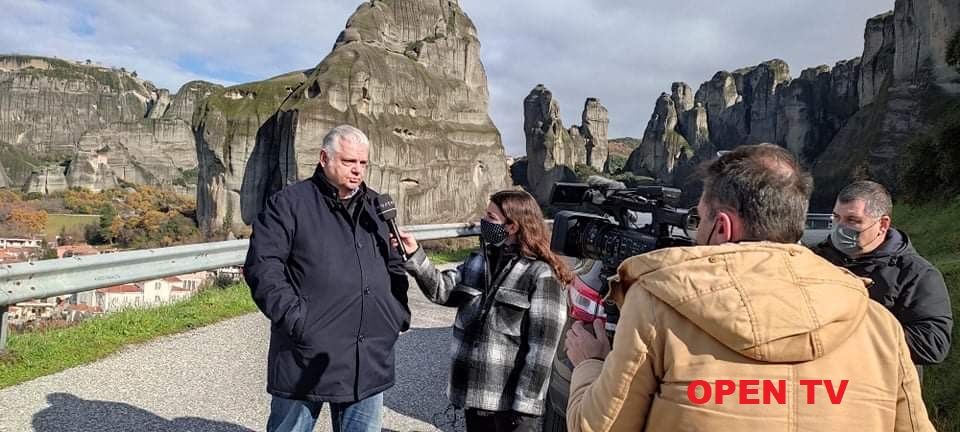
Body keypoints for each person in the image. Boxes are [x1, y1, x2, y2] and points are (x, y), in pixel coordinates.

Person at [564, 144, 934, 431]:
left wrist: (590, 364)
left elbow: (597, 427)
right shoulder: (879, 325)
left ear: (723, 227)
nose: (696, 233)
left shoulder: (655, 307)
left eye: (700, 219)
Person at [244, 125, 411, 432]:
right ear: (324, 158)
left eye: (363, 163)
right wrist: (298, 321)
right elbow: (263, 267)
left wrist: (395, 315)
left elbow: (394, 265)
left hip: (368, 358)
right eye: (349, 161)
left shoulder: (377, 206)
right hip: (306, 354)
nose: (357, 170)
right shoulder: (289, 204)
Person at [395, 190, 571, 432]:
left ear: (512, 226)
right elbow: (442, 290)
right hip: (475, 397)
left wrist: (525, 406)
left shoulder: (541, 275)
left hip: (512, 408)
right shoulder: (479, 261)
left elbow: (542, 349)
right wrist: (415, 253)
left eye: (491, 217)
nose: (483, 221)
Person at [812, 180, 952, 379]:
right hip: (820, 384)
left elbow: (932, 344)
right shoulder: (814, 260)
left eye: (853, 220)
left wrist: (852, 332)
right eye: (836, 218)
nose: (840, 228)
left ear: (883, 224)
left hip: (879, 387)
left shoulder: (916, 274)